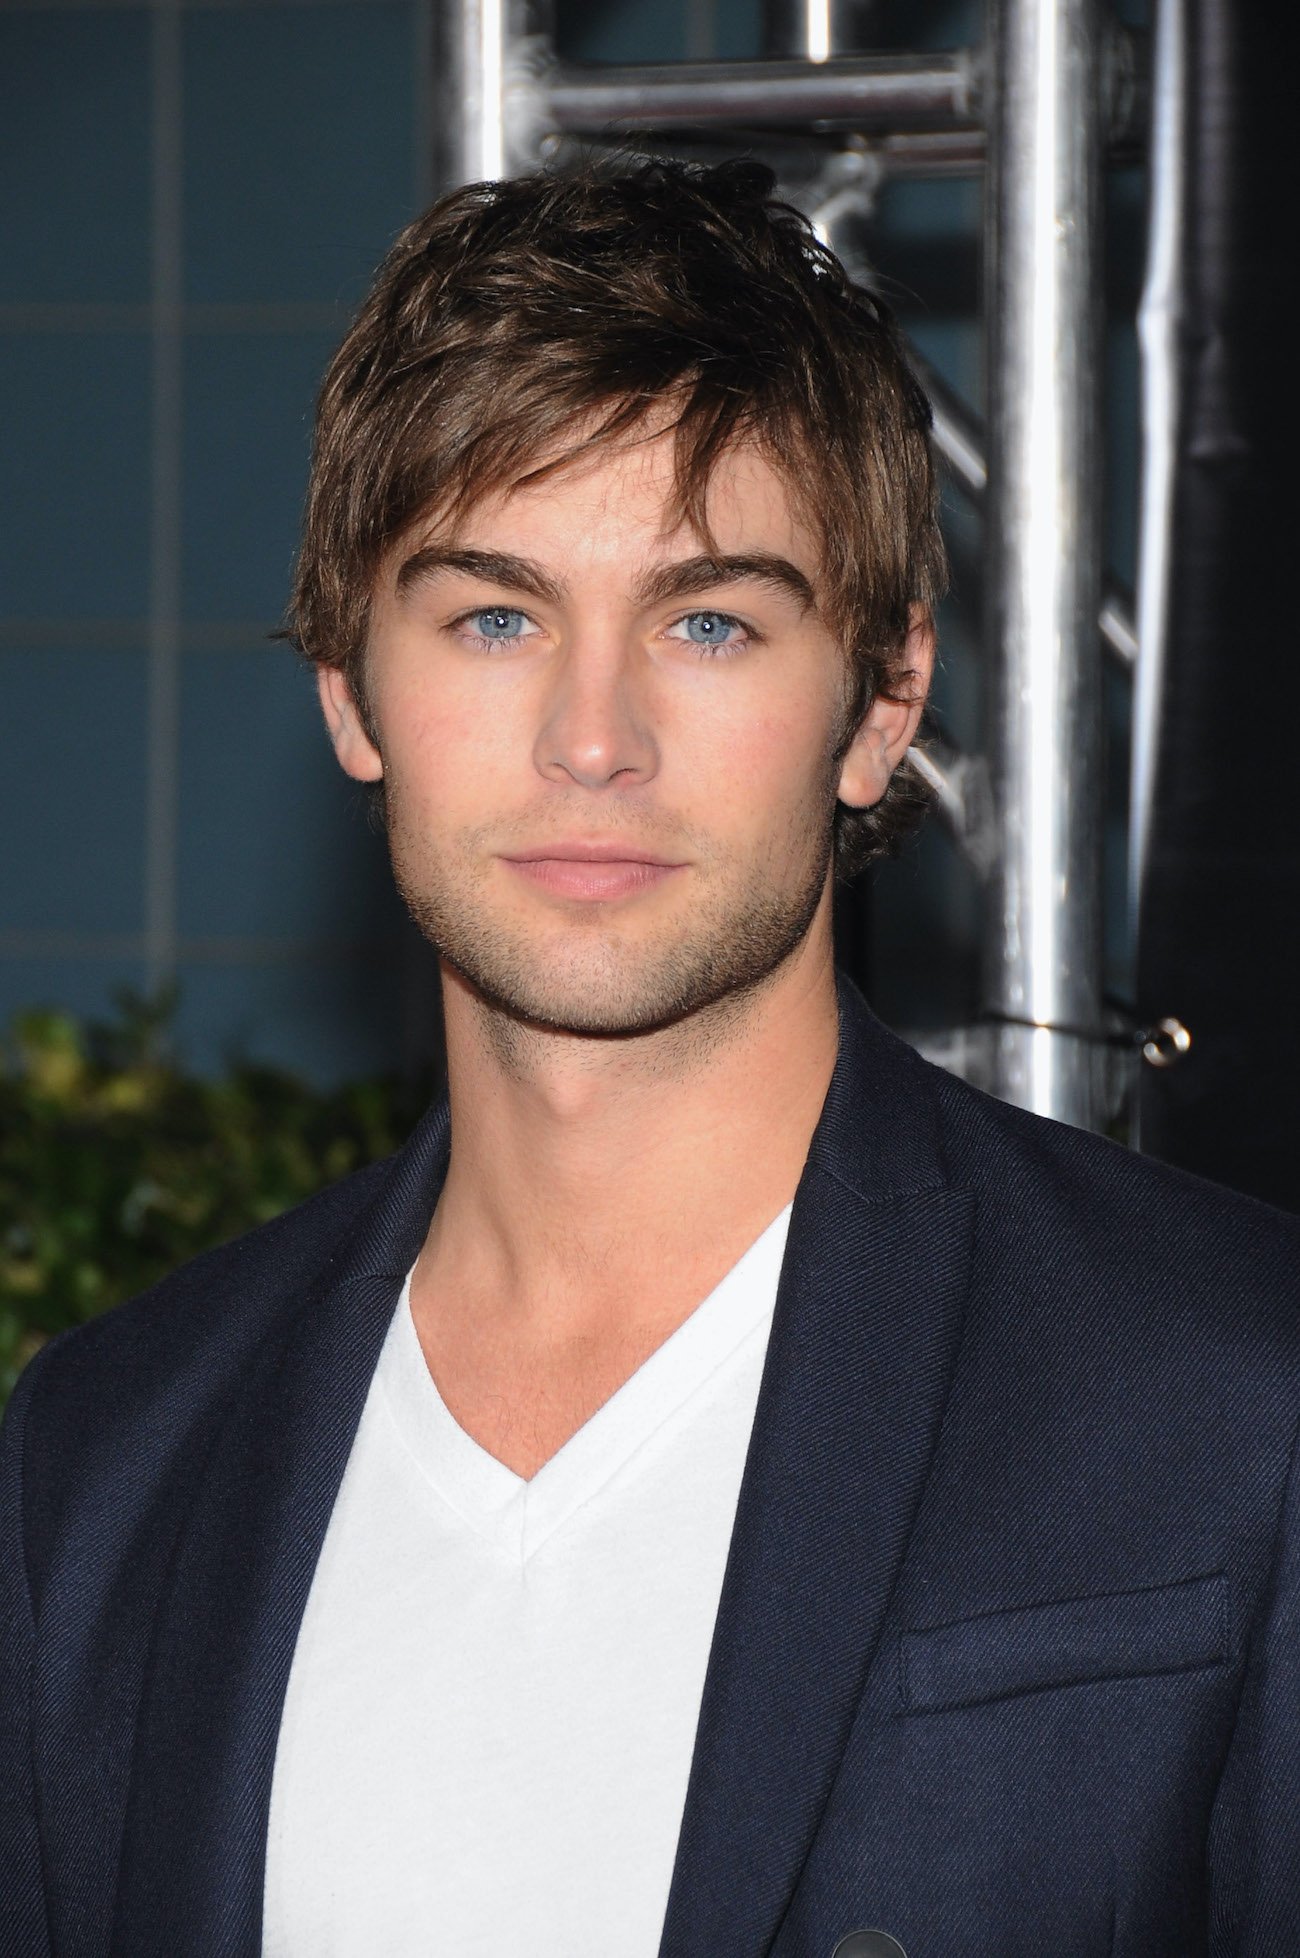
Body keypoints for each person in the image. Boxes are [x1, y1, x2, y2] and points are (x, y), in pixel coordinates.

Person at [2, 158, 1298, 1958]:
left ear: (884, 704)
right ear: (349, 687)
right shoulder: (105, 1464)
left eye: (708, 621)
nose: (593, 736)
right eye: (496, 615)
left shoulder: (1234, 1390)